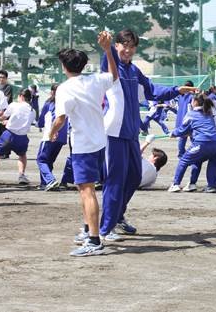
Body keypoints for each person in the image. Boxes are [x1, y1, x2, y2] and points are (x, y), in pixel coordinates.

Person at [98, 29, 194, 240]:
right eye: (125, 45)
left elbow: (152, 89)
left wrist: (177, 90)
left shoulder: (134, 71)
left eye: (132, 46)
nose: (128, 50)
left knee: (133, 177)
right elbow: (108, 59)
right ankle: (103, 229)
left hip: (132, 133)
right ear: (117, 46)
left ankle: (116, 217)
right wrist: (107, 47)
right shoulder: (110, 65)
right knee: (115, 180)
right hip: (113, 132)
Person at [49, 31, 119, 257]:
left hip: (83, 144)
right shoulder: (95, 80)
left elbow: (60, 118)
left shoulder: (65, 88)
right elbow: (114, 75)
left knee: (86, 191)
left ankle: (94, 240)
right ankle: (89, 229)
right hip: (99, 141)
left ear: (64, 66)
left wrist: (51, 132)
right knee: (85, 189)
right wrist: (108, 50)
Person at [169, 93, 216, 193]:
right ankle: (192, 184)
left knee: (183, 160)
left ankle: (175, 184)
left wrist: (173, 133)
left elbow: (182, 129)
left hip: (202, 143)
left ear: (195, 102)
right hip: (215, 143)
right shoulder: (208, 113)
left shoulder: (191, 114)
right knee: (197, 160)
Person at [0, 89, 36, 185]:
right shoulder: (32, 110)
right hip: (22, 137)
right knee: (22, 155)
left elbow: (3, 117)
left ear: (21, 96)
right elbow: (24, 123)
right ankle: (21, 175)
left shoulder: (14, 105)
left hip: (9, 135)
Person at [37, 83, 68, 191]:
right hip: (62, 138)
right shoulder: (66, 103)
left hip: (50, 136)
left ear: (51, 92)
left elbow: (42, 120)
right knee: (48, 161)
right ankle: (44, 183)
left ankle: (50, 180)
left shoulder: (50, 103)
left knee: (41, 160)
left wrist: (50, 131)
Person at [175, 80, 194, 158]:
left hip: (180, 119)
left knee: (182, 138)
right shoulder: (192, 97)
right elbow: (191, 109)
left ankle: (181, 153)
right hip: (188, 120)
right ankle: (193, 152)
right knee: (193, 137)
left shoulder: (181, 96)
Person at [0, 69, 13, 141]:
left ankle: (5, 150)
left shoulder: (8, 87)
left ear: (6, 79)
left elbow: (6, 100)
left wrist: (1, 110)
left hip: (5, 114)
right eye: (0, 77)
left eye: (3, 77)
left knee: (4, 133)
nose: (1, 79)